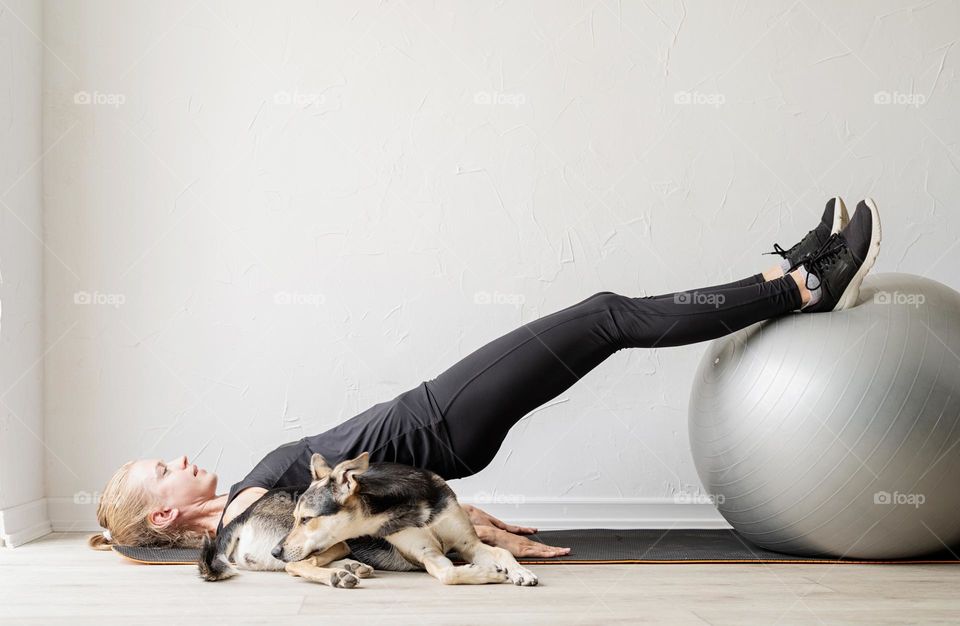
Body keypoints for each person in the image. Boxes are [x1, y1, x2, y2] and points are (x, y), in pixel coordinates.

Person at [88, 198, 881, 558]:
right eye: (163, 469)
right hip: (440, 420)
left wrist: (454, 511)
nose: (179, 459)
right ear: (164, 513)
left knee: (605, 321)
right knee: (605, 315)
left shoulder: (245, 504)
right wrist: (457, 523)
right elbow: (348, 525)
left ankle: (785, 276)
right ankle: (801, 286)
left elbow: (354, 510)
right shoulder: (246, 517)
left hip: (443, 422)